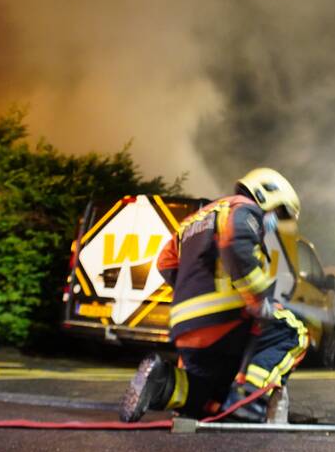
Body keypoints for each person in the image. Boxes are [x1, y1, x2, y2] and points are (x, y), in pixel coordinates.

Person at [120, 168, 309, 423]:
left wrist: (192, 292)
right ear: (266, 196)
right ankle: (250, 402)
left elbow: (164, 262)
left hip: (186, 326)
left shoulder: (192, 221)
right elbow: (237, 244)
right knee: (292, 330)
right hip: (223, 319)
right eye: (278, 212)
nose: (275, 221)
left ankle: (161, 383)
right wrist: (257, 299)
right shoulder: (243, 208)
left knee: (210, 392)